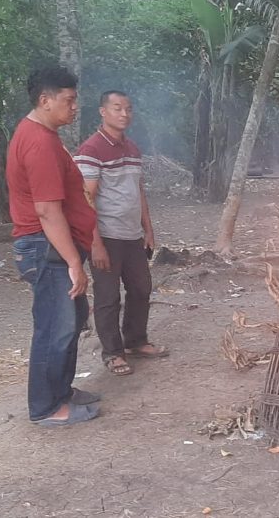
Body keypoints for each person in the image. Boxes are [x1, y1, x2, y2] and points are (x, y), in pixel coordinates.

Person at [7, 66, 101, 427]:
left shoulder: (43, 134)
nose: (75, 107)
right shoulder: (40, 142)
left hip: (52, 247)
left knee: (71, 321)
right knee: (54, 326)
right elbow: (47, 210)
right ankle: (45, 407)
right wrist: (74, 262)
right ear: (45, 101)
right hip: (45, 248)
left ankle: (61, 390)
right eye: (69, 100)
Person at [74, 91, 167, 377]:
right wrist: (95, 244)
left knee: (141, 288)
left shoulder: (132, 149)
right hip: (107, 236)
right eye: (117, 108)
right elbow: (85, 199)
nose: (124, 114)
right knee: (107, 296)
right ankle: (113, 353)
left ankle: (136, 340)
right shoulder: (91, 150)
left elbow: (138, 191)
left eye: (128, 108)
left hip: (132, 235)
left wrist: (148, 229)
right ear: (103, 111)